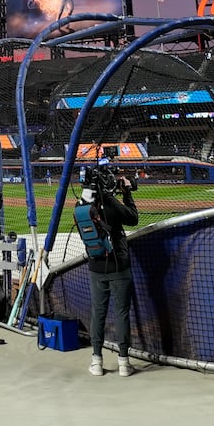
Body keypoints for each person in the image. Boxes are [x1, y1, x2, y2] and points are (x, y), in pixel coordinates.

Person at [77, 160, 140, 377]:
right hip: (118, 266)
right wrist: (127, 193)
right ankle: (123, 362)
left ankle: (96, 361)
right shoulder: (110, 203)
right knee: (121, 312)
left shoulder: (81, 206)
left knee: (98, 313)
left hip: (95, 266)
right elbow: (133, 218)